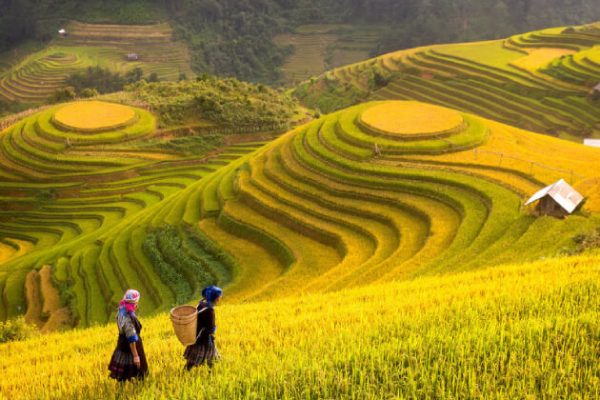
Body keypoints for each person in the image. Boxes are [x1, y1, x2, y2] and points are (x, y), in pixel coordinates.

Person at [108, 289, 149, 382]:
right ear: (134, 303)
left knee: (123, 372)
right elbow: (131, 338)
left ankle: (123, 388)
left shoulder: (121, 310)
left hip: (121, 342)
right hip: (131, 345)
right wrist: (136, 356)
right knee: (139, 370)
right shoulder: (128, 318)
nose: (137, 305)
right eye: (136, 303)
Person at [183, 285, 223, 371]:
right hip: (204, 338)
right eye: (219, 297)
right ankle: (209, 373)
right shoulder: (210, 310)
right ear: (215, 298)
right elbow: (211, 328)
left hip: (196, 335)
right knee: (209, 358)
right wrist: (214, 329)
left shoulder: (201, 304)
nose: (219, 299)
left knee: (194, 358)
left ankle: (187, 371)